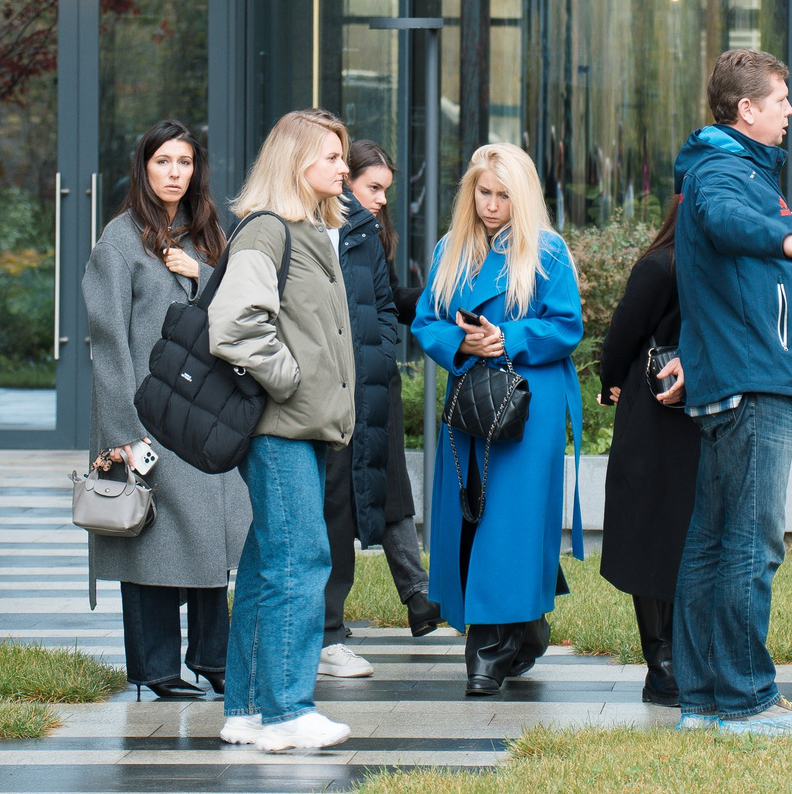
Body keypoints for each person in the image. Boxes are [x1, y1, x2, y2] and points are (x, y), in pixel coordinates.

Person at [669, 49, 792, 735]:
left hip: (739, 375)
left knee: (713, 540)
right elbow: (725, 221)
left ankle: (705, 699)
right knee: (750, 543)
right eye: (780, 99)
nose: (790, 110)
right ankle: (747, 700)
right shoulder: (722, 171)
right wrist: (788, 241)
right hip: (752, 380)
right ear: (747, 109)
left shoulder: (730, 167)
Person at [201, 110, 360, 752]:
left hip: (298, 425)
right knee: (300, 559)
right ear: (295, 161)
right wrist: (288, 378)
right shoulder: (268, 230)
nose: (344, 167)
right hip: (279, 426)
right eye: (332, 156)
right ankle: (287, 711)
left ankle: (245, 710)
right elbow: (232, 324)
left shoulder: (308, 230)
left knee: (269, 564)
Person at [83, 118, 254, 699]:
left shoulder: (209, 234)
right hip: (145, 415)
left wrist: (200, 271)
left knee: (210, 539)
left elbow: (239, 305)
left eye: (184, 162)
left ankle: (211, 656)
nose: (174, 173)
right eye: (163, 162)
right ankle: (155, 667)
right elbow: (108, 340)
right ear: (144, 167)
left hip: (201, 413)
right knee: (150, 538)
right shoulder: (119, 240)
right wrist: (123, 431)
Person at [414, 143, 585, 698]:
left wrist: (506, 336)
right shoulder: (450, 248)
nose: (491, 205)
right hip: (470, 397)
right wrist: (461, 342)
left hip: (528, 402)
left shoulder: (547, 251)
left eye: (503, 195)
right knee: (474, 518)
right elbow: (425, 321)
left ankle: (489, 651)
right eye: (483, 192)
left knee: (509, 521)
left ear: (524, 196)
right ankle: (521, 629)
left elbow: (567, 325)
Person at [319, 137, 438, 671]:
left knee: (384, 486)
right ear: (344, 179)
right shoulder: (323, 230)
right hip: (336, 391)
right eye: (374, 187)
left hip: (371, 382)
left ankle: (415, 596)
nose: (383, 198)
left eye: (386, 189)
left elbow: (383, 300)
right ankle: (332, 628)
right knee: (340, 501)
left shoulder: (367, 232)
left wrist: (385, 347)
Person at [595, 197, 694, 707]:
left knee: (656, 532)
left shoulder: (662, 264)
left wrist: (610, 380)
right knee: (669, 534)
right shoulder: (683, 266)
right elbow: (625, 333)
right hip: (681, 414)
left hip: (661, 413)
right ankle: (669, 664)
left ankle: (665, 665)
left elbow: (623, 334)